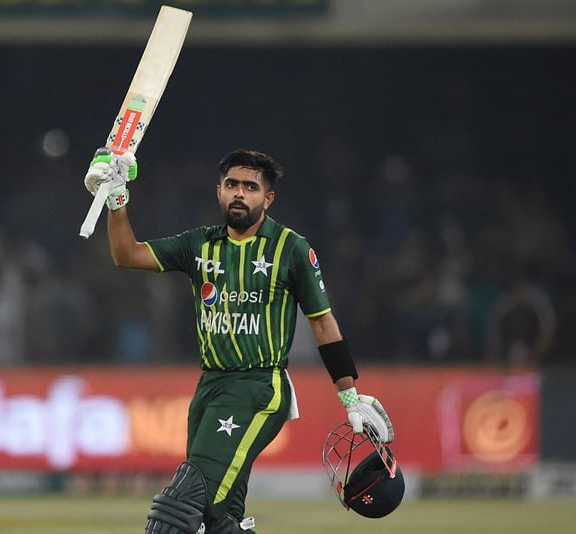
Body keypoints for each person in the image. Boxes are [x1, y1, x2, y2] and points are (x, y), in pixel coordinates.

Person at [84, 148, 394, 533]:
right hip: (210, 389)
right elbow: (126, 255)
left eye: (251, 187)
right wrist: (117, 199)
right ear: (219, 192)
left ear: (268, 198)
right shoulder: (199, 245)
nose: (239, 194)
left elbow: (323, 322)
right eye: (232, 185)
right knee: (219, 518)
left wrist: (349, 395)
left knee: (181, 505)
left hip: (258, 388)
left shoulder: (290, 248)